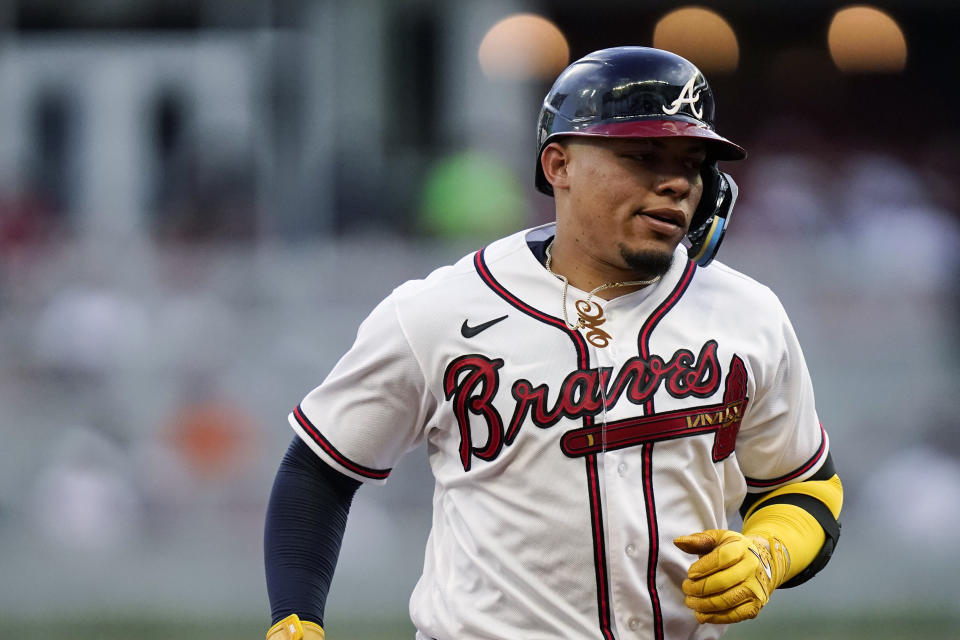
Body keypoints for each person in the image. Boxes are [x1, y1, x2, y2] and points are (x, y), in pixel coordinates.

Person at [263, 46, 843, 640]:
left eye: (692, 162)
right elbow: (319, 468)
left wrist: (771, 553)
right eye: (643, 155)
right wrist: (296, 616)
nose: (675, 182)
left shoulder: (747, 313)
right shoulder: (440, 309)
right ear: (560, 165)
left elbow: (804, 485)